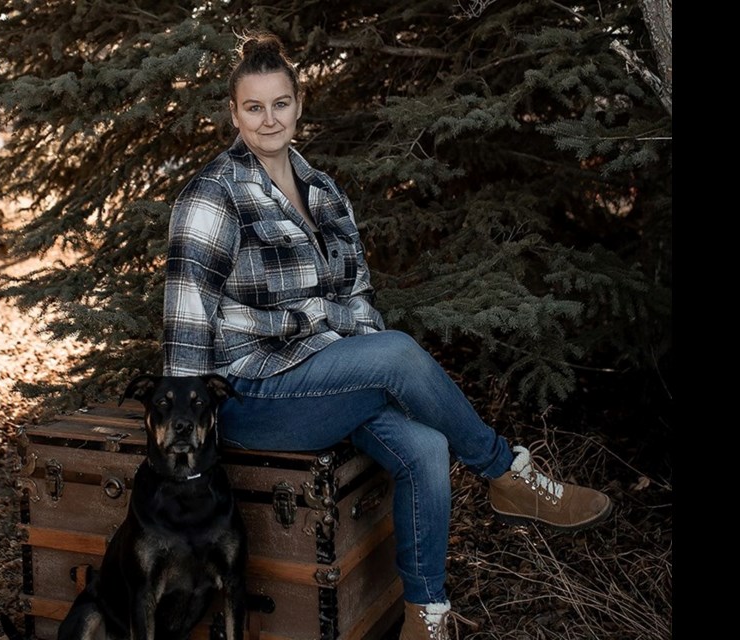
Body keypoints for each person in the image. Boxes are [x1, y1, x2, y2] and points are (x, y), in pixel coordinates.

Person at [161, 32, 612, 640]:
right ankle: (507, 475)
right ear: (232, 113)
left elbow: (355, 296)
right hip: (251, 395)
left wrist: (373, 366)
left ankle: (426, 615)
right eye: (254, 107)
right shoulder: (211, 196)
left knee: (424, 445)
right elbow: (186, 319)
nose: (270, 120)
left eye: (281, 104)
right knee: (398, 354)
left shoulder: (321, 189)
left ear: (299, 105)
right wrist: (182, 447)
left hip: (324, 375)